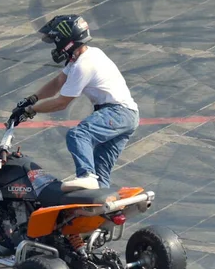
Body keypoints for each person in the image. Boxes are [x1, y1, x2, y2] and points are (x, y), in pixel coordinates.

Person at [9, 14, 139, 192]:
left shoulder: (83, 65)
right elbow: (57, 83)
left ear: (67, 41)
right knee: (101, 173)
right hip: (127, 115)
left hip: (117, 113)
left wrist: (30, 110)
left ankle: (86, 176)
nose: (55, 47)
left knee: (78, 135)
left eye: (56, 41)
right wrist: (31, 99)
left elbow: (61, 103)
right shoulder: (88, 55)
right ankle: (100, 207)